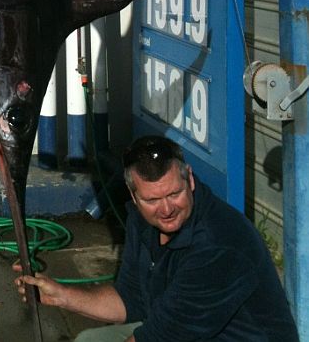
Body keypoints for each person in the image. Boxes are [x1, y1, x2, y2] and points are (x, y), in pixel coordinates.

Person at [15, 135, 299, 341]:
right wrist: (62, 296)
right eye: (152, 200)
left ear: (189, 179)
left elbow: (160, 336)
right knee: (90, 339)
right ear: (133, 195)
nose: (166, 209)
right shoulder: (142, 222)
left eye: (174, 194)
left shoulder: (219, 244)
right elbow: (131, 299)